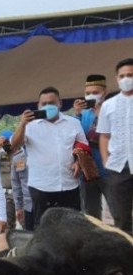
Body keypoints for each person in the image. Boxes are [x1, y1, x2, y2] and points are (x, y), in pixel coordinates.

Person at [11, 86, 86, 227]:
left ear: (60, 104)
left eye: (51, 103)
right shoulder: (30, 126)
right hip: (41, 187)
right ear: (38, 106)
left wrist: (78, 161)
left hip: (69, 184)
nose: (47, 106)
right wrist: (22, 124)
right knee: (44, 228)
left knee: (72, 227)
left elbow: (82, 145)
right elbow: (14, 145)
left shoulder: (73, 123)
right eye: (43, 104)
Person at [97, 58, 133, 234]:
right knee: (121, 217)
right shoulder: (108, 105)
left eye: (130, 75)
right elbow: (104, 135)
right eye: (123, 76)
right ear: (117, 78)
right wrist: (105, 160)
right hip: (118, 166)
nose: (126, 79)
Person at [73, 74, 110, 219]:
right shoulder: (84, 114)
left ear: (105, 92)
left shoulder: (112, 110)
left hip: (110, 172)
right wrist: (76, 114)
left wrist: (101, 116)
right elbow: (76, 136)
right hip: (88, 173)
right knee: (91, 215)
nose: (91, 96)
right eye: (88, 93)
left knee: (119, 211)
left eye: (95, 92)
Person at [10, 144, 34, 231]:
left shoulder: (47, 155)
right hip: (28, 206)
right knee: (29, 236)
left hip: (46, 204)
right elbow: (16, 185)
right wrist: (18, 207)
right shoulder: (18, 158)